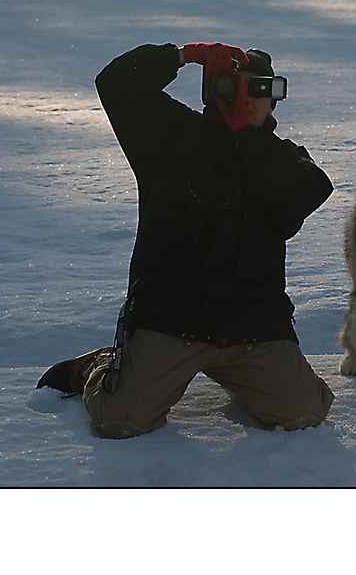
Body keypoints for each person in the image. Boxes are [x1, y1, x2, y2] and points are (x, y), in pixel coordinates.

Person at [37, 42, 335, 439]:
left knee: (303, 414)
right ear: (213, 94)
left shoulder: (288, 161)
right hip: (169, 319)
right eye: (234, 90)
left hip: (252, 326)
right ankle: (103, 365)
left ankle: (247, 379)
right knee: (121, 420)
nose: (246, 102)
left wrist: (246, 135)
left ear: (275, 99)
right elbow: (115, 83)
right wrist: (181, 55)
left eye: (259, 91)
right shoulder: (168, 140)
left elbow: (299, 198)